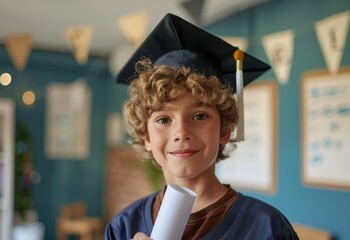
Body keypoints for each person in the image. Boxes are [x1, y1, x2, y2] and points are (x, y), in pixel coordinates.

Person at [105, 13, 299, 240]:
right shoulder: (123, 227)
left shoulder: (268, 228)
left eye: (199, 116)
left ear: (225, 130)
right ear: (145, 136)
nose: (181, 133)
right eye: (163, 119)